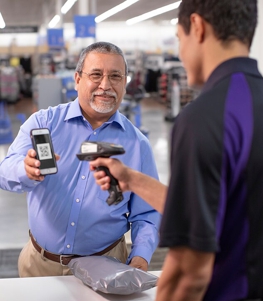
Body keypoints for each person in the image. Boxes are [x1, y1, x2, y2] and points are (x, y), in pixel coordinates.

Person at [89, 1, 263, 301]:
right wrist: (132, 180)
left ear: (198, 27)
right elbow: (225, 209)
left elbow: (188, 273)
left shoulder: (204, 117)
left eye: (179, 39)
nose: (180, 52)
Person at [0, 42, 161, 277]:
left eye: (115, 76)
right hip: (39, 264)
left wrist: (140, 255)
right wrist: (25, 170)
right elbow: (4, 171)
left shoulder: (137, 145)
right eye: (96, 75)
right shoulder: (44, 123)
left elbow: (146, 213)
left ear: (125, 83)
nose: (105, 85)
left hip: (107, 265)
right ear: (77, 79)